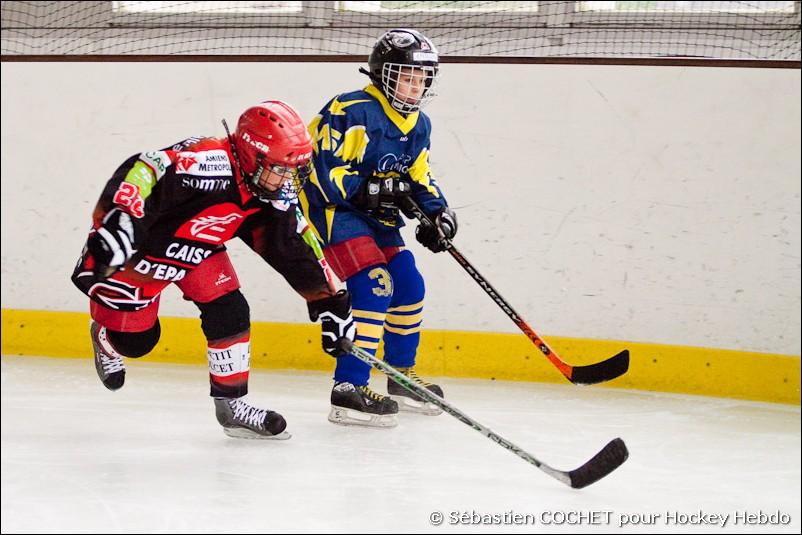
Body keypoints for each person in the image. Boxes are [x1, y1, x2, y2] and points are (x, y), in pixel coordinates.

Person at [71, 100, 356, 440]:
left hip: (198, 245)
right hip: (140, 250)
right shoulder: (208, 162)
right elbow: (147, 166)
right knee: (137, 343)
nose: (287, 179)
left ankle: (233, 406)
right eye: (280, 168)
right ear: (253, 155)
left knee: (231, 310)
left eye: (293, 169)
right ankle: (106, 336)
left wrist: (331, 302)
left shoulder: (265, 187)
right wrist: (121, 220)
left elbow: (293, 244)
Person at [300, 28, 458, 428]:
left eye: (422, 78)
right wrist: (370, 187)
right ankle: (348, 389)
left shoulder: (419, 124)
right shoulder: (349, 109)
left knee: (409, 284)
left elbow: (420, 176)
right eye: (406, 76)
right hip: (334, 213)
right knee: (374, 285)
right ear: (382, 74)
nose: (415, 86)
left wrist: (437, 213)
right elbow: (317, 172)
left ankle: (400, 378)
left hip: (378, 217)